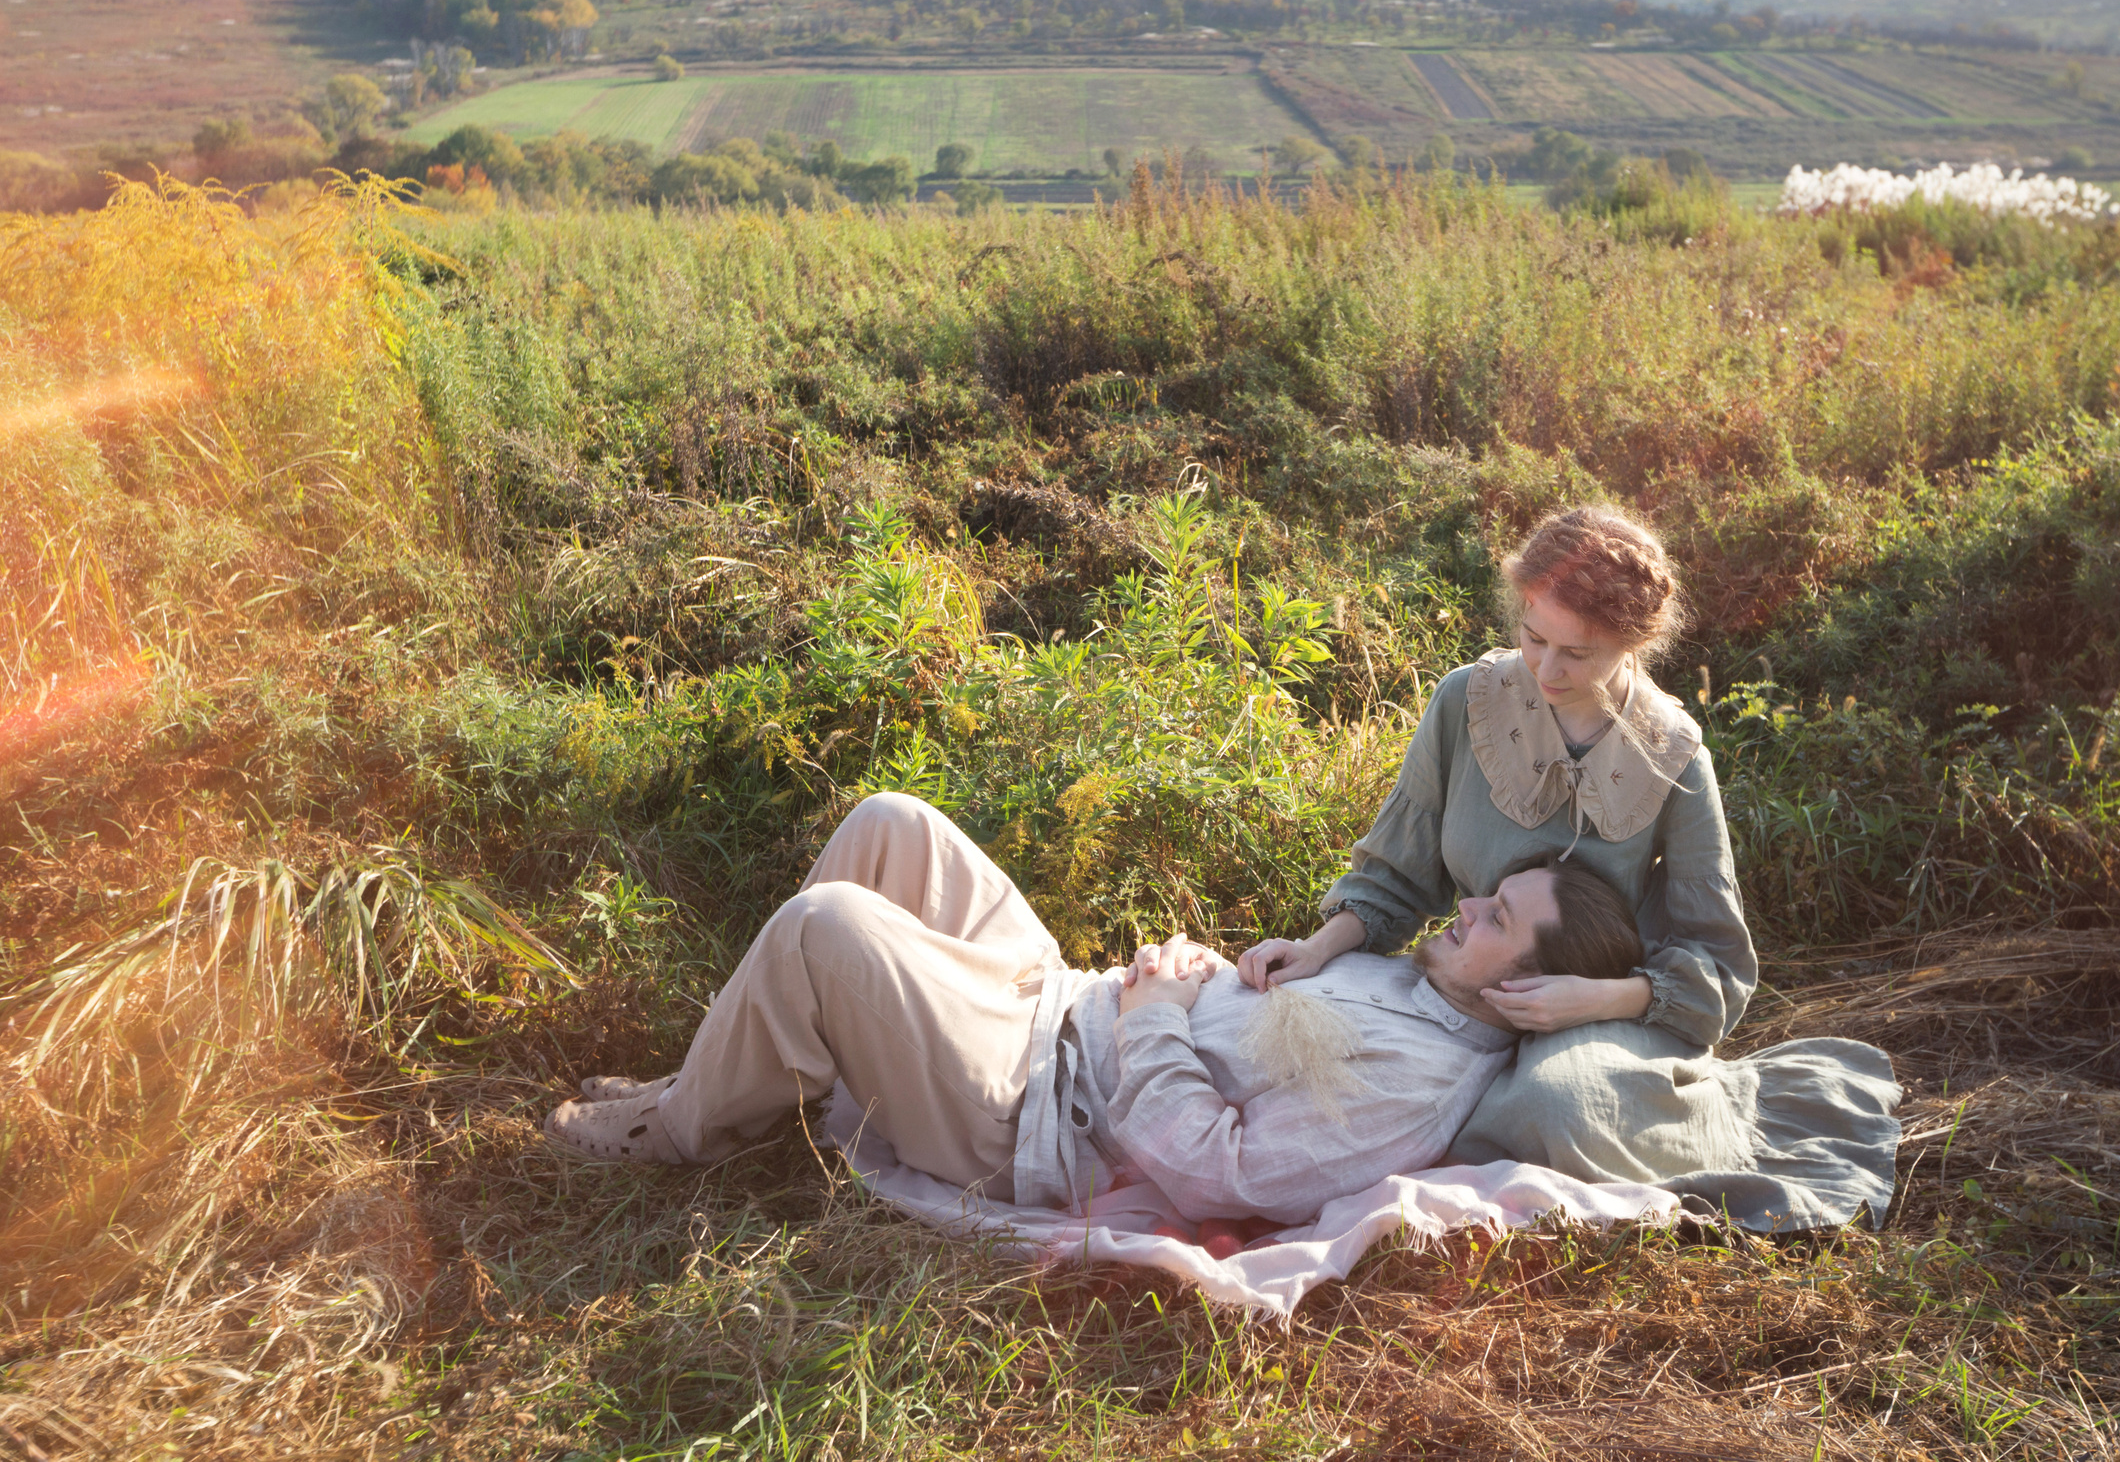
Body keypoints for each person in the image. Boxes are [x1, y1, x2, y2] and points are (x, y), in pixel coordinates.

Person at [1235, 505, 1902, 1231]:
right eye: (1532, 636)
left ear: (1631, 642)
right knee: (1299, 1033)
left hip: (1607, 1020)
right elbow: (1397, 872)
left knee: (1556, 1101)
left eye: (1577, 653)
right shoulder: (1467, 701)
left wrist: (1591, 1000)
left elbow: (1717, 965)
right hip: (1469, 987)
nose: (1547, 669)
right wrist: (1316, 949)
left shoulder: (1674, 756)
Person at [541, 792, 1644, 1227]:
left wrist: (1160, 1012)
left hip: (1032, 1106)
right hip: (1061, 1001)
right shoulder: (1406, 974)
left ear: (1520, 988)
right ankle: (718, 1078)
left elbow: (1219, 1172)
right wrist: (1200, 968)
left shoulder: (1414, 1086)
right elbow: (1242, 1029)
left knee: (829, 924)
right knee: (892, 828)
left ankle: (681, 1131)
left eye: (1494, 916)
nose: (1464, 904)